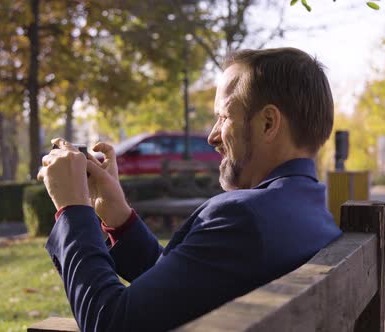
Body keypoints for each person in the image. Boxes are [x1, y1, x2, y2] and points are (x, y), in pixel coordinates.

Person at [37, 47, 342, 332]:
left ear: (268, 123)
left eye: (223, 117)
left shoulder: (242, 217)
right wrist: (119, 217)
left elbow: (109, 320)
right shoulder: (311, 208)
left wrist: (73, 208)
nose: (211, 136)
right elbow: (184, 284)